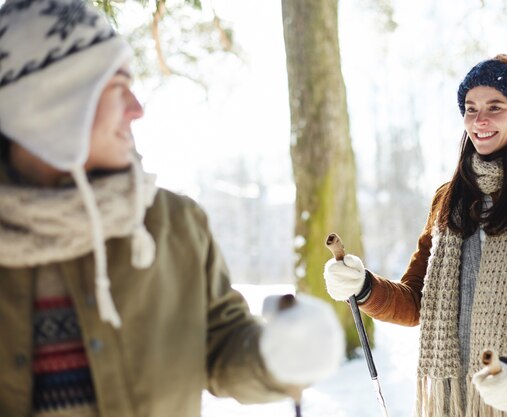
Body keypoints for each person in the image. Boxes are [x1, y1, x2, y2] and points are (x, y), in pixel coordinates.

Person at [0, 1, 344, 416]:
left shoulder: (175, 225)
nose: (137, 108)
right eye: (115, 88)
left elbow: (221, 345)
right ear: (50, 105)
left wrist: (277, 358)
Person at [324, 51, 507, 417]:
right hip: (454, 398)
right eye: (470, 108)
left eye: (495, 107)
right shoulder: (449, 198)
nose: (479, 120)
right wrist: (363, 287)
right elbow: (415, 301)